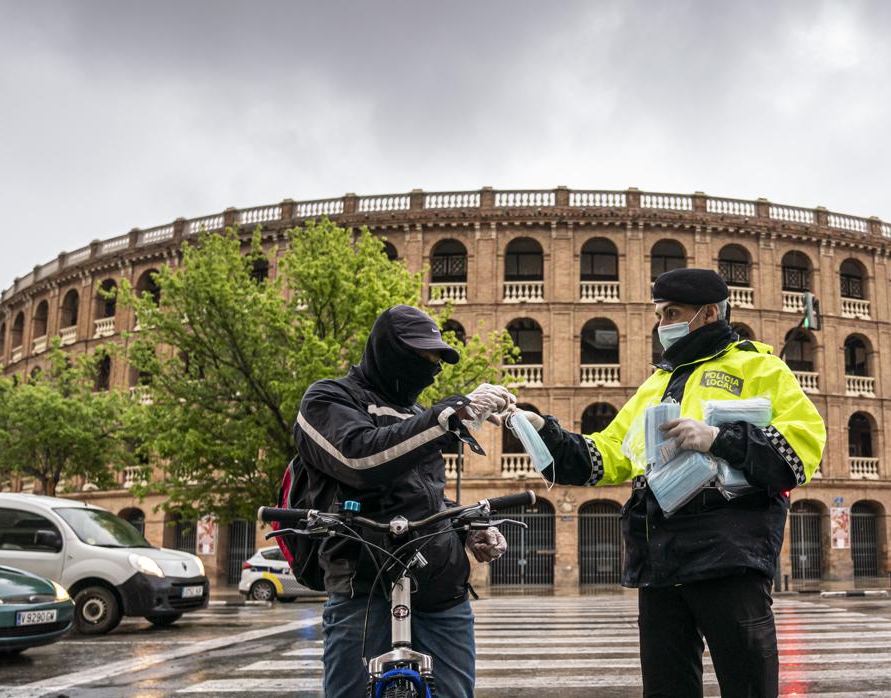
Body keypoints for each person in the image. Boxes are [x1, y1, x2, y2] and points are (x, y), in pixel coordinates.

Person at [512, 268, 826, 698]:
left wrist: (720, 438)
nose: (663, 326)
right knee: (665, 689)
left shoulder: (759, 366)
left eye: (672, 313)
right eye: (659, 315)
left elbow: (804, 446)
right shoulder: (656, 383)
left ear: (709, 313)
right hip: (660, 560)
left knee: (748, 685)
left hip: (728, 556)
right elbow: (609, 455)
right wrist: (542, 431)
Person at [293, 304, 514, 698]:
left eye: (436, 360)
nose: (430, 369)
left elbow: (425, 497)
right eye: (421, 357)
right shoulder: (327, 399)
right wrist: (447, 417)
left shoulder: (418, 415)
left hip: (440, 581)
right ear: (386, 350)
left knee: (454, 692)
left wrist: (468, 526)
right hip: (364, 579)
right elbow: (358, 459)